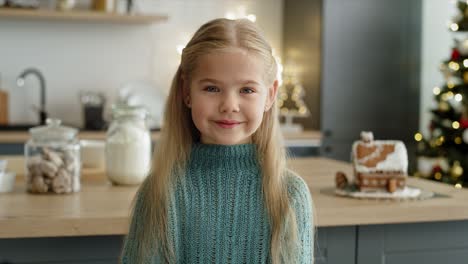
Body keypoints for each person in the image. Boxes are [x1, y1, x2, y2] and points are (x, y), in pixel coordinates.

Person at [120, 18, 314, 264]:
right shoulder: (160, 191)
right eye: (212, 88)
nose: (229, 106)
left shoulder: (290, 195)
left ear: (270, 95)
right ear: (186, 92)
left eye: (247, 90)